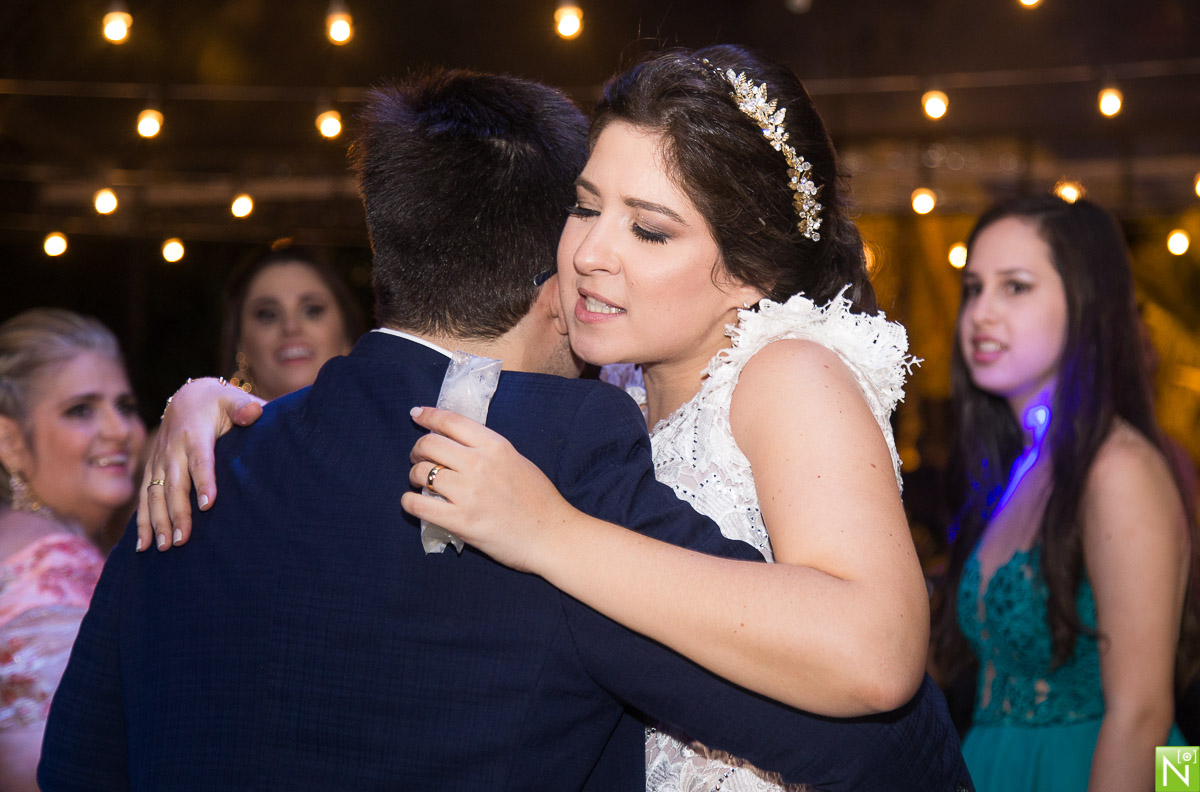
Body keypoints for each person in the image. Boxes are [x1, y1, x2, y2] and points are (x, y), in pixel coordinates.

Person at [39, 67, 971, 791]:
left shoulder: (756, 385)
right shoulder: (586, 410)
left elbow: (873, 680)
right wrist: (216, 399)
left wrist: (552, 533)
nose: (592, 254)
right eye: (583, 206)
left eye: (649, 229)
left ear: (750, 268)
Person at [928, 195, 1189, 791]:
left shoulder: (1117, 468)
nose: (981, 314)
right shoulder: (1023, 469)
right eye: (974, 288)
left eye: (1015, 287)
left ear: (1085, 303)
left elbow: (1146, 712)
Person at [0, 308, 146, 792]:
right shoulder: (50, 568)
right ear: (10, 441)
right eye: (81, 410)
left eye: (124, 406)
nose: (119, 429)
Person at [220, 239, 365, 401]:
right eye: (268, 314)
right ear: (240, 342)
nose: (291, 327)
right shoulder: (198, 424)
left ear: (346, 330)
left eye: (312, 310)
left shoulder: (392, 420)